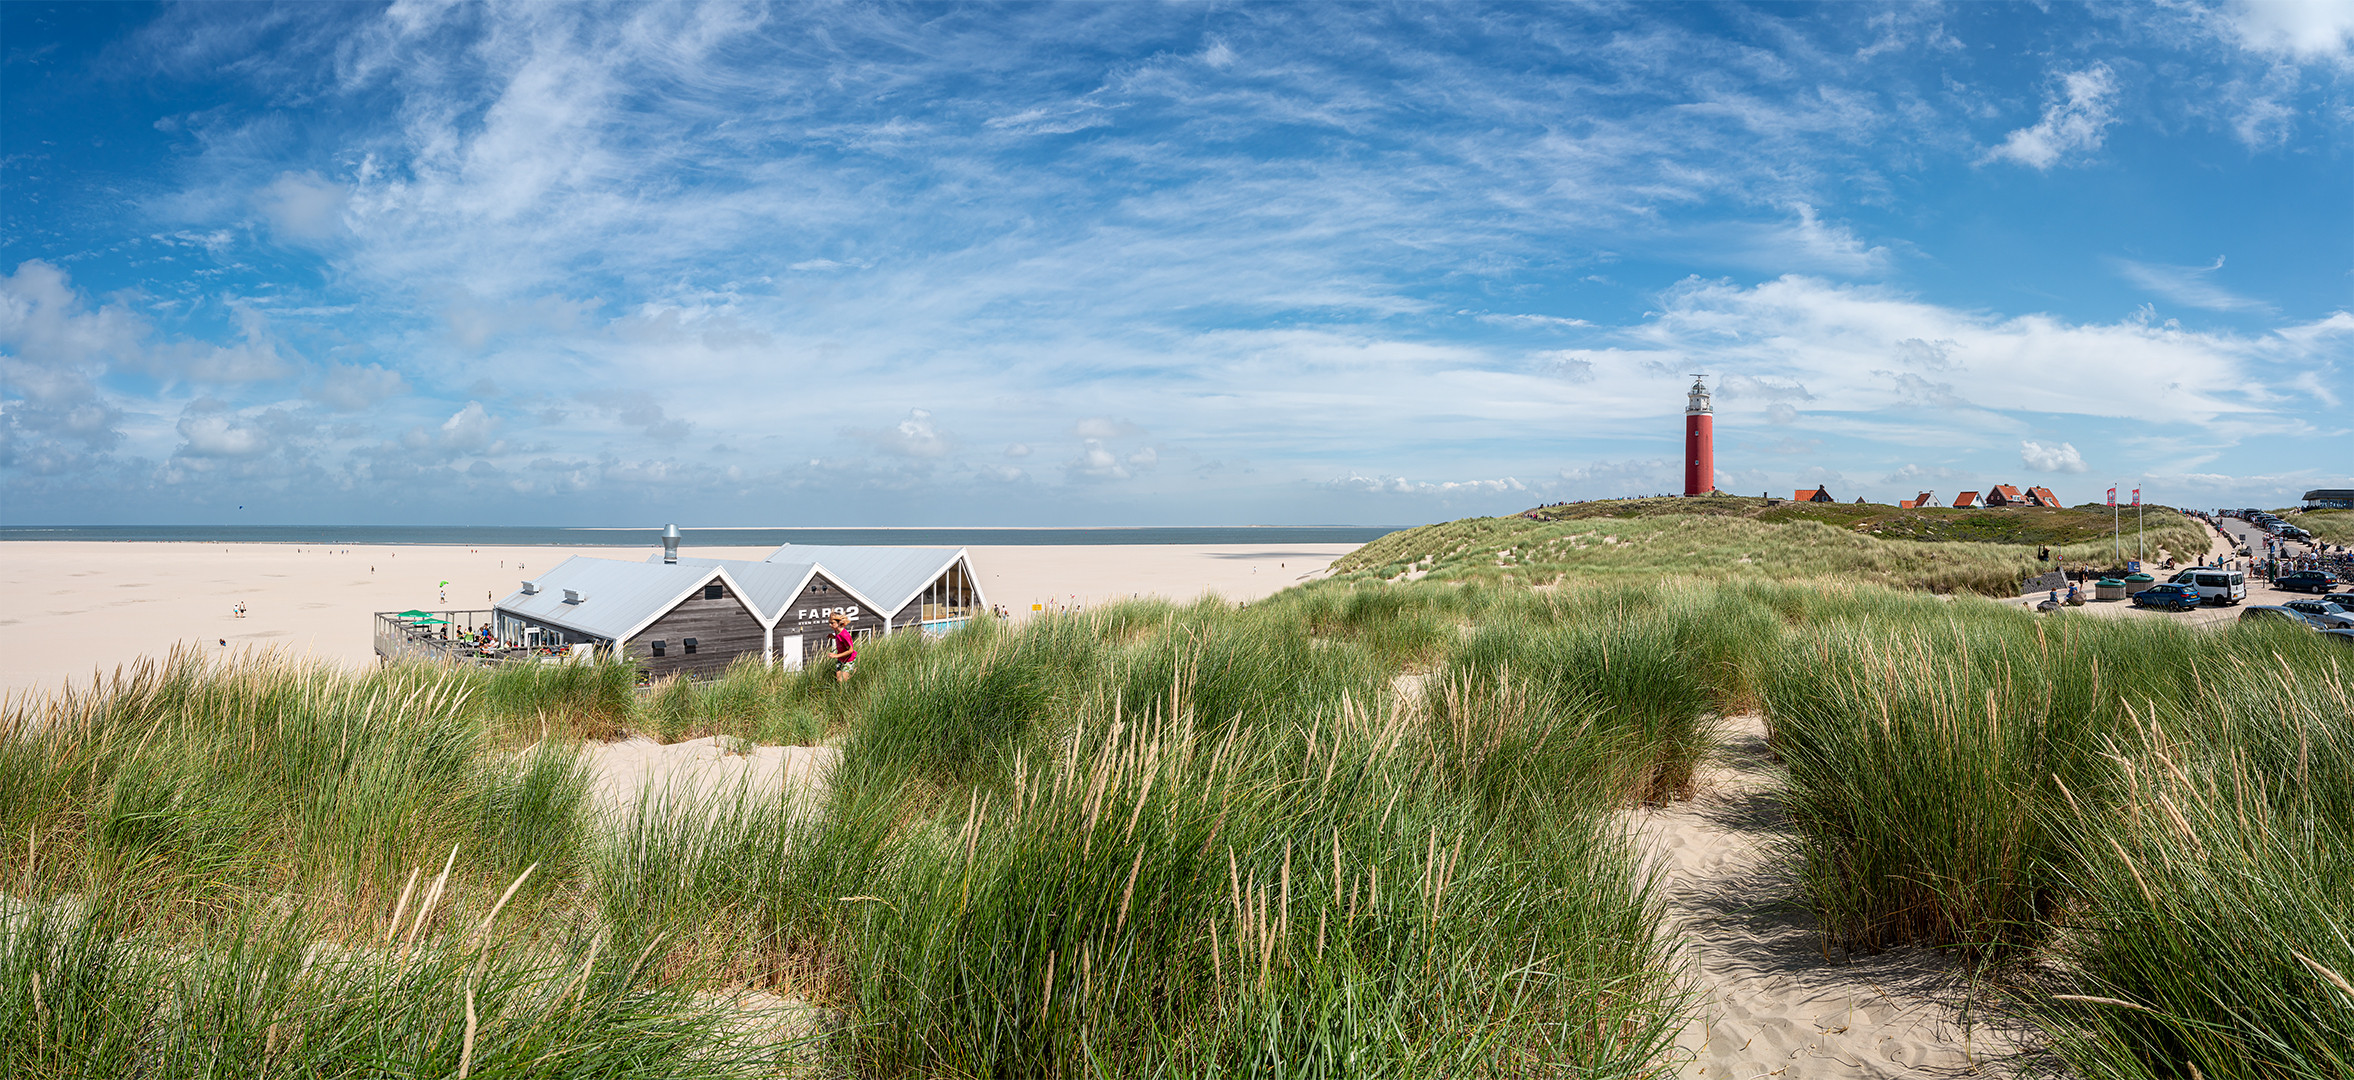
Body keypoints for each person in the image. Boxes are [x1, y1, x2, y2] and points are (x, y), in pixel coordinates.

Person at [828, 612, 857, 683]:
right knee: (838, 679)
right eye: (829, 623)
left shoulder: (845, 635)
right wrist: (834, 637)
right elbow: (840, 640)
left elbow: (850, 650)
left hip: (848, 659)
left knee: (842, 681)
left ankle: (853, 670)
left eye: (832, 623)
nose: (830, 625)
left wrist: (836, 655)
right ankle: (840, 693)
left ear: (839, 623)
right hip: (841, 658)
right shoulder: (836, 631)